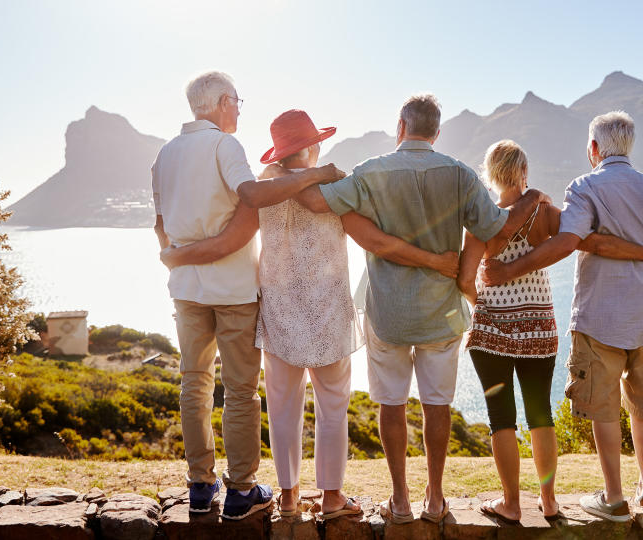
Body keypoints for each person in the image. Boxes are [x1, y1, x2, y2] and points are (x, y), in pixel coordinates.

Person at [160, 109, 459, 519]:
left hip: (280, 313)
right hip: (328, 315)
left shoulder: (263, 186)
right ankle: (333, 498)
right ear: (314, 145)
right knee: (333, 408)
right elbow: (368, 235)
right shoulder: (335, 185)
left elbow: (239, 235)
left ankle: (287, 497)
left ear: (280, 151)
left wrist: (178, 253)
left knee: (283, 409)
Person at [295, 94, 552, 524]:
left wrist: (314, 172)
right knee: (437, 406)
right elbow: (497, 230)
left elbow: (316, 202)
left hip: (388, 312)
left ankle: (399, 500)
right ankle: (435, 499)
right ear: (437, 132)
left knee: (390, 405)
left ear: (401, 126)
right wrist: (532, 198)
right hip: (442, 312)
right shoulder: (460, 174)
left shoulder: (371, 172)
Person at [151, 71, 345, 520]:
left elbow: (160, 224)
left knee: (193, 383)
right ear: (221, 101)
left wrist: (175, 257)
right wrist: (318, 173)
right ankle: (240, 491)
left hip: (185, 291)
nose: (239, 108)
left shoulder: (164, 155)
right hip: (233, 289)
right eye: (237, 100)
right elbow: (252, 197)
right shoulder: (224, 146)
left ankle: (200, 486)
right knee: (240, 391)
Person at [481, 111, 643, 522]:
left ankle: (613, 497)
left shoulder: (585, 187)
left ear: (594, 149)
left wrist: (506, 272)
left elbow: (569, 242)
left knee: (604, 406)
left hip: (600, 317)